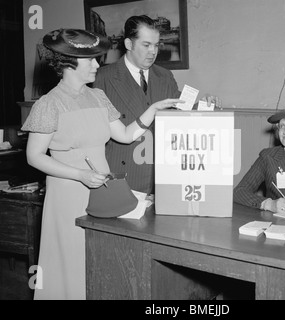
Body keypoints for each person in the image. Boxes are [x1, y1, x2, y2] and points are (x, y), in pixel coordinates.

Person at [21, 28, 182, 300]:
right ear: (69, 64)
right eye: (91, 60)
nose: (97, 64)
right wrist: (80, 174)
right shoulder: (48, 104)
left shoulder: (97, 97)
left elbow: (125, 135)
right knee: (71, 261)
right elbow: (34, 156)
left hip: (103, 192)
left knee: (101, 260)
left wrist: (152, 110)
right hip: (68, 193)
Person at [93, 15, 221, 194]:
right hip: (121, 177)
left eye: (156, 45)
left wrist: (206, 105)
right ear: (129, 44)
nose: (153, 52)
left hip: (160, 178)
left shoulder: (165, 76)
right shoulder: (102, 78)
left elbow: (180, 106)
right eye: (146, 45)